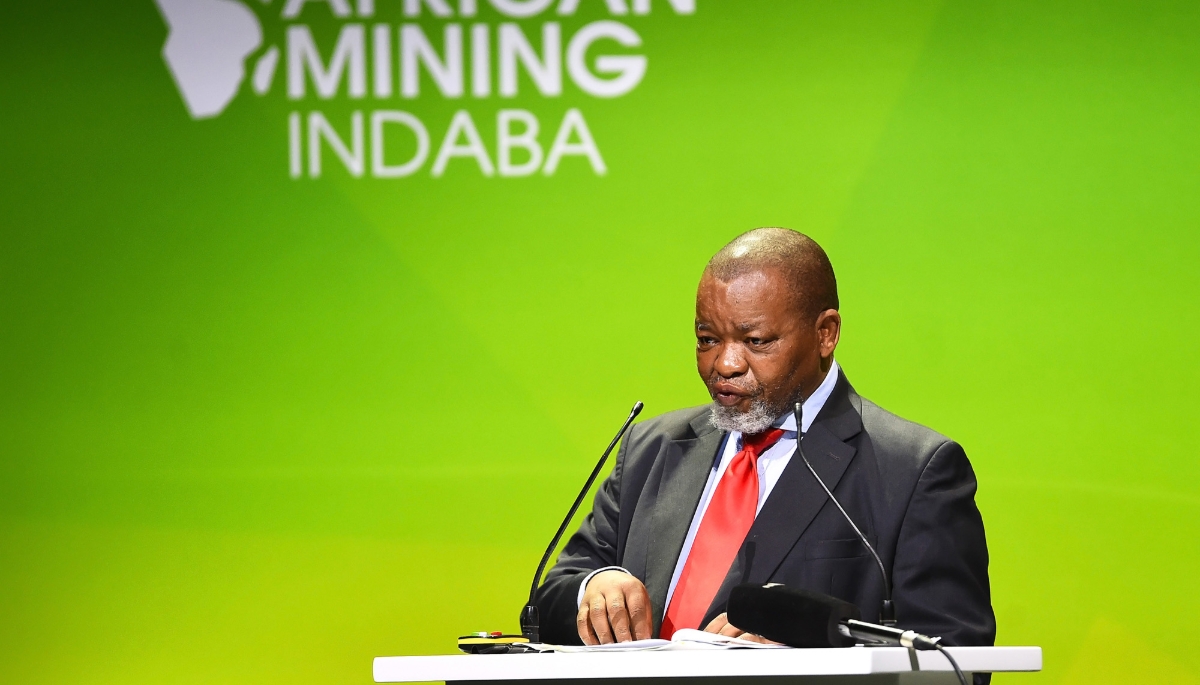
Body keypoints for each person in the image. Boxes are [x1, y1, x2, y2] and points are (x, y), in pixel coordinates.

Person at [531, 227, 995, 653]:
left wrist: (803, 649)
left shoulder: (912, 471)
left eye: (756, 341)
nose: (725, 364)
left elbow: (953, 659)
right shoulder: (651, 449)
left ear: (825, 333)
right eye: (707, 339)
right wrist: (595, 585)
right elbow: (549, 600)